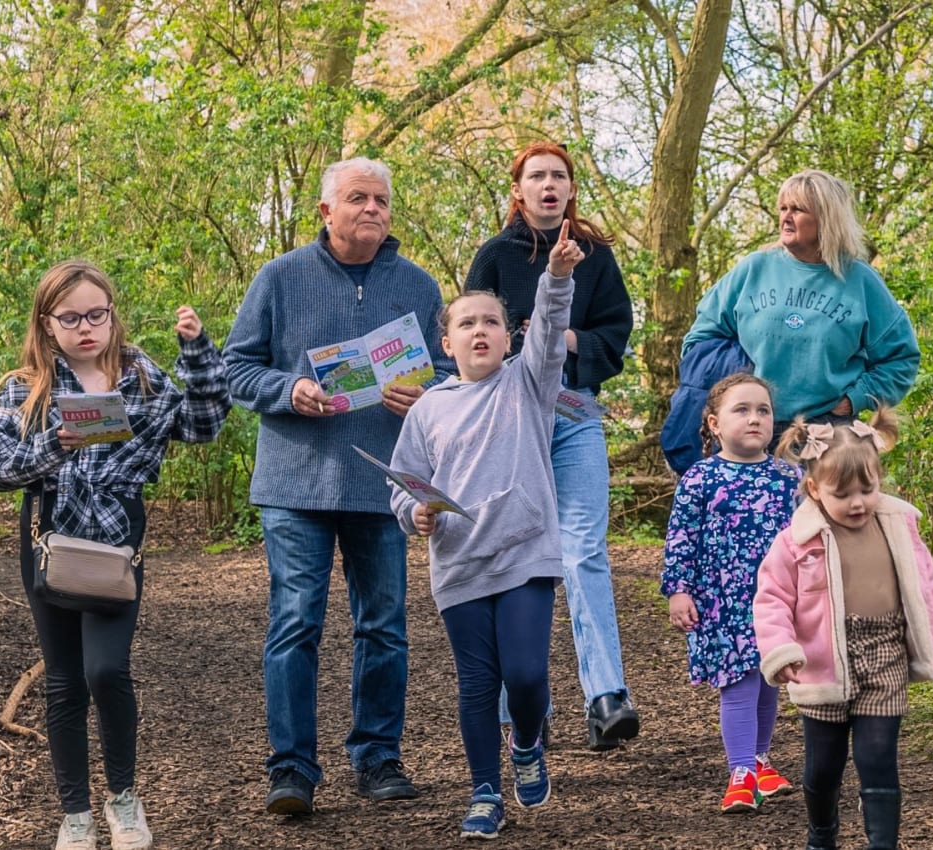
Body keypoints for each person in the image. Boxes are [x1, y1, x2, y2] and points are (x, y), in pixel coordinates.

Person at [223, 157, 450, 815]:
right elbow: (237, 369)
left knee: (384, 626)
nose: (373, 209)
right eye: (358, 198)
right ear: (327, 211)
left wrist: (426, 396)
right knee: (297, 622)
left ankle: (378, 758)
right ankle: (291, 770)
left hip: (384, 483)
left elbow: (444, 374)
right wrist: (287, 388)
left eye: (382, 199)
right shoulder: (280, 278)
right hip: (295, 484)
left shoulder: (417, 285)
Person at [0, 260, 228, 850]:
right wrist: (53, 445)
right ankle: (75, 816)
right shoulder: (24, 387)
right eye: (71, 318)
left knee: (107, 670)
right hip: (49, 538)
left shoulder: (141, 375)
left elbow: (201, 425)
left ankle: (123, 799)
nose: (86, 327)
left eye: (97, 314)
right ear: (47, 323)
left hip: (118, 538)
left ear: (112, 315)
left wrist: (196, 352)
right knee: (65, 682)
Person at [389, 223, 585, 840]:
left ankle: (526, 740)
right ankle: (484, 791)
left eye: (491, 322)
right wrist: (412, 512)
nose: (480, 330)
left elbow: (551, 334)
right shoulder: (428, 409)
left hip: (526, 551)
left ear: (509, 337)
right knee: (477, 683)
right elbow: (404, 481)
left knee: (525, 675)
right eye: (466, 323)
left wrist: (556, 278)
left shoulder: (529, 384)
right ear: (446, 343)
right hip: (458, 563)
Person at [463, 141, 643, 750]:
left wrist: (566, 339)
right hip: (511, 420)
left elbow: (615, 332)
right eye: (537, 176)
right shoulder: (494, 255)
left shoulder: (595, 257)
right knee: (517, 552)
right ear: (519, 189)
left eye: (559, 177)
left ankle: (607, 695)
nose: (548, 185)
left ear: (570, 190)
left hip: (574, 413)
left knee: (585, 546)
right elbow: (472, 332)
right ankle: (524, 710)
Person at [753, 412, 933, 850]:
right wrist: (782, 649)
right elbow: (771, 599)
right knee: (823, 766)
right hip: (824, 659)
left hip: (886, 653)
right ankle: (822, 834)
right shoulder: (796, 540)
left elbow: (925, 584)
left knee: (878, 756)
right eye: (842, 494)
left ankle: (882, 843)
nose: (858, 502)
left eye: (867, 489)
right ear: (814, 489)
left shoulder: (899, 526)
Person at [681, 169, 919, 434]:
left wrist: (854, 399)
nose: (786, 217)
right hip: (748, 433)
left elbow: (901, 359)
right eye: (783, 208)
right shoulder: (753, 270)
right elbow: (699, 343)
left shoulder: (860, 281)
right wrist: (733, 394)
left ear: (827, 219)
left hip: (825, 434)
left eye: (798, 209)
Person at [663, 373, 804, 813]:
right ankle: (740, 772)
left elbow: (805, 537)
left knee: (770, 682)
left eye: (763, 410)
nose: (755, 418)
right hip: (722, 602)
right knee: (739, 685)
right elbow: (681, 537)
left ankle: (760, 760)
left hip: (778, 601)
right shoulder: (701, 478)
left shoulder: (788, 476)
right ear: (713, 424)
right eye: (741, 410)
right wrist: (678, 590)